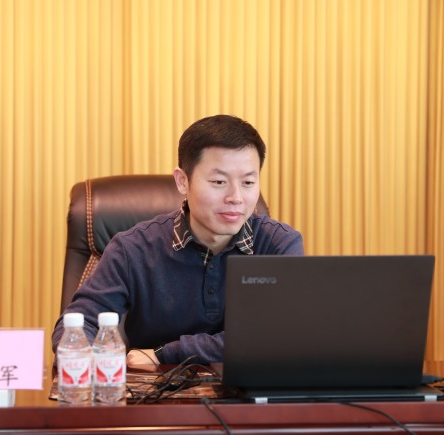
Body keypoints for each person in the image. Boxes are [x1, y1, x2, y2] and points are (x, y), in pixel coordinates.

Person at [51, 114, 304, 364]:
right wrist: (84, 357)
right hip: (153, 388)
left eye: (248, 182)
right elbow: (77, 325)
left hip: (247, 390)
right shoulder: (132, 248)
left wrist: (165, 353)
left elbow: (274, 336)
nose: (236, 197)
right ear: (183, 181)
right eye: (219, 181)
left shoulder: (279, 244)